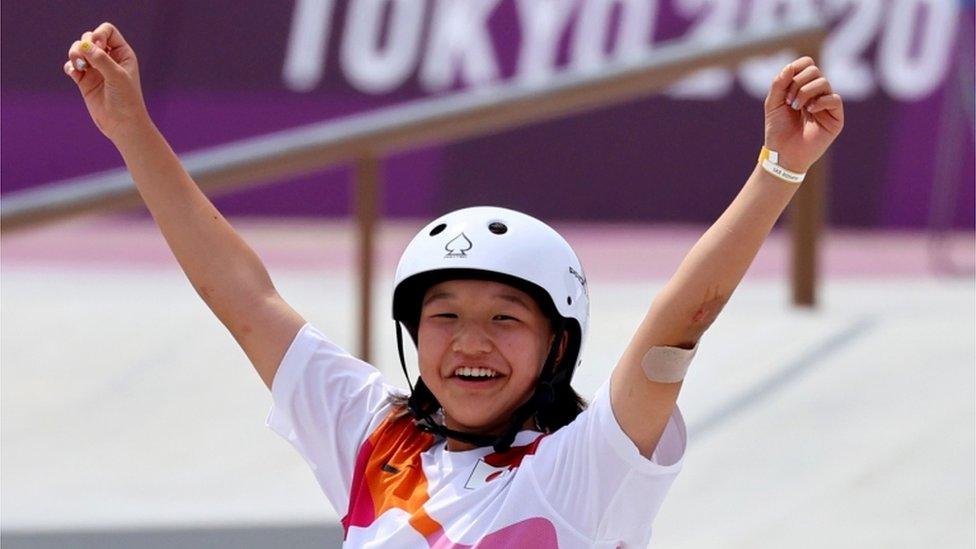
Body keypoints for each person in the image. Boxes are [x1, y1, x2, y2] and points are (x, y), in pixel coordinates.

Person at [64, 22, 844, 547]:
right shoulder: (374, 438)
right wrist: (131, 126)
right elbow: (243, 298)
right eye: (444, 315)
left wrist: (779, 170)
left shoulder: (587, 465)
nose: (471, 342)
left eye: (507, 318)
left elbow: (678, 325)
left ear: (557, 344)